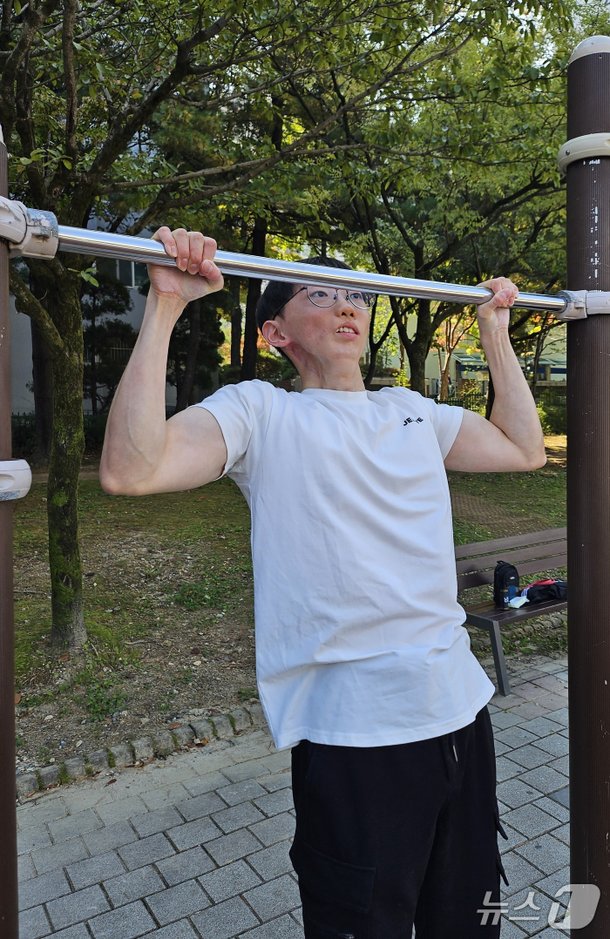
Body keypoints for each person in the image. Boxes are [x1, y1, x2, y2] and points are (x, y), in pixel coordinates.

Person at [100, 227, 546, 939]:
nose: (346, 306)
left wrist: (495, 332)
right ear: (275, 332)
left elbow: (524, 448)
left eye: (355, 296)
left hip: (461, 714)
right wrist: (165, 306)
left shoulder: (411, 410)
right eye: (319, 294)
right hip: (355, 736)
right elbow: (132, 469)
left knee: (469, 920)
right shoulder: (260, 412)